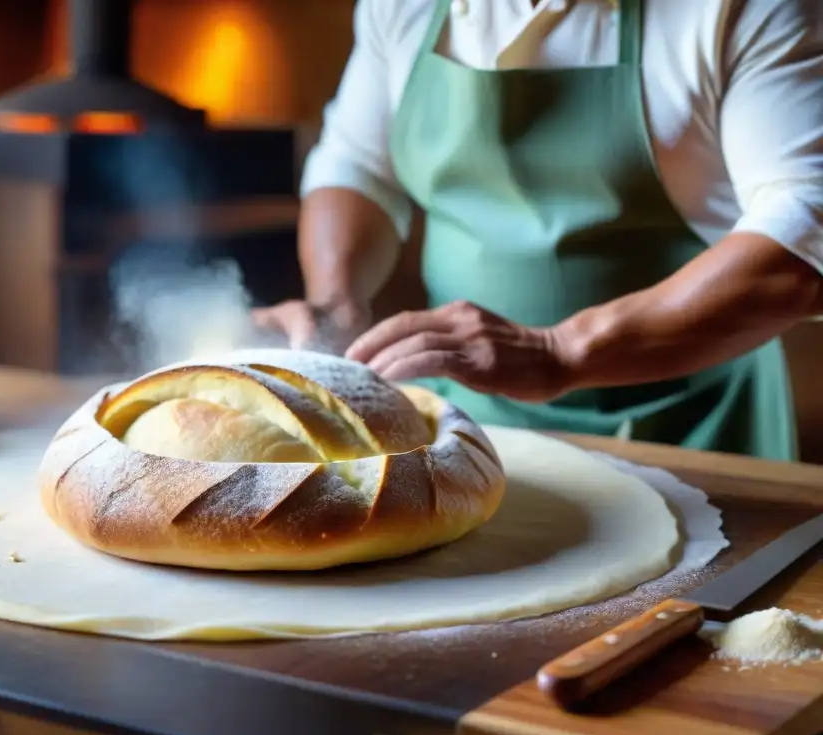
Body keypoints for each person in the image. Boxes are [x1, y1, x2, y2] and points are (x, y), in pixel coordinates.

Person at [253, 0, 823, 460]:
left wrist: (557, 352)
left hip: (695, 427)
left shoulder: (748, 9)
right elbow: (358, 167)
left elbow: (804, 227)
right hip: (468, 424)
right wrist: (335, 299)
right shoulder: (403, 8)